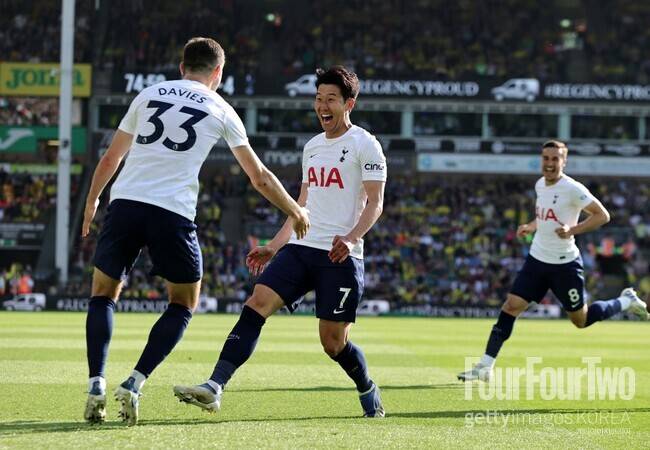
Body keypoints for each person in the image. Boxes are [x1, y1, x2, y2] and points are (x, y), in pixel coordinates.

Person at [82, 37, 309, 425]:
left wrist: (92, 202)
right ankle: (134, 382)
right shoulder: (220, 108)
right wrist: (295, 209)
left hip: (125, 204)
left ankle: (95, 384)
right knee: (184, 303)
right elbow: (258, 176)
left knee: (102, 294)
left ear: (181, 66)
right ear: (218, 72)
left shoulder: (148, 94)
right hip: (171, 212)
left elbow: (111, 158)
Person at [173, 66, 388, 418]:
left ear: (349, 103)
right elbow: (301, 205)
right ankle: (214, 385)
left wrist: (351, 239)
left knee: (333, 343)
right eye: (318, 98)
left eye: (331, 99)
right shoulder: (312, 147)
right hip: (302, 248)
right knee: (257, 302)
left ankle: (366, 386)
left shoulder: (366, 144)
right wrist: (274, 245)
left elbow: (376, 202)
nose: (322, 106)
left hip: (340, 256)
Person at [458, 140, 648, 382]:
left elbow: (602, 216)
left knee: (581, 320)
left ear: (563, 162)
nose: (549, 163)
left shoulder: (572, 188)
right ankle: (485, 366)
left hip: (565, 265)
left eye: (555, 159)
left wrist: (572, 230)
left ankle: (625, 301)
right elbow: (545, 216)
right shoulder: (540, 184)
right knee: (511, 306)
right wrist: (531, 225)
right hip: (537, 259)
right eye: (546, 158)